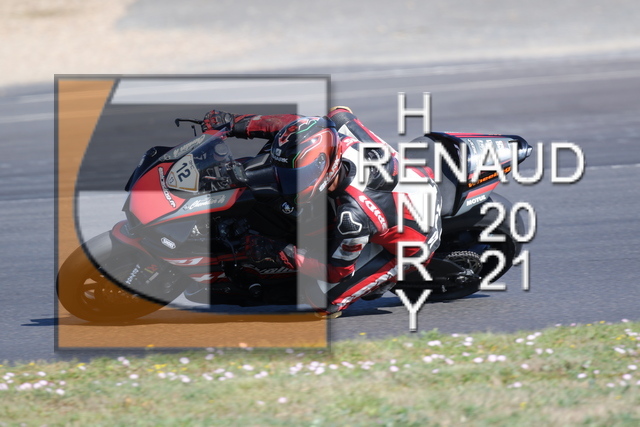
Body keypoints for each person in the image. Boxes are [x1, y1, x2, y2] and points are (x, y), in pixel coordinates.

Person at [202, 107, 441, 317]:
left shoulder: (353, 218)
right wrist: (233, 122)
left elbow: (336, 272)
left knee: (324, 302)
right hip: (406, 184)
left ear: (325, 166)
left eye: (299, 176)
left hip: (414, 242)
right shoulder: (332, 139)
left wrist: (281, 252)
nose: (289, 184)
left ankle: (383, 278)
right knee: (338, 115)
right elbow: (293, 125)